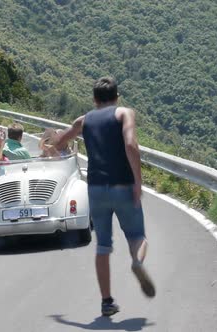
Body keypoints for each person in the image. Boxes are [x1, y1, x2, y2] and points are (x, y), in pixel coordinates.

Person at [54, 77, 155, 317]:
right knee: (137, 237)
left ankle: (107, 302)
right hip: (122, 184)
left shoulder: (84, 120)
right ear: (117, 97)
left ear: (94, 100)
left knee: (102, 246)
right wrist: (138, 182)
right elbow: (131, 145)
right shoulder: (124, 114)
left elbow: (59, 143)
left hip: (96, 189)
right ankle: (138, 263)